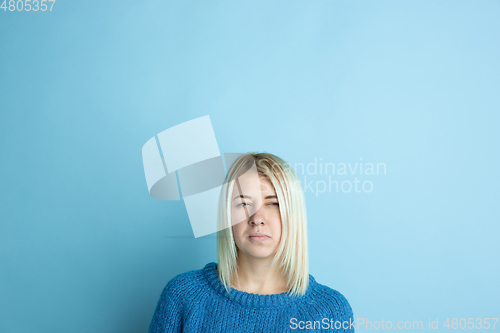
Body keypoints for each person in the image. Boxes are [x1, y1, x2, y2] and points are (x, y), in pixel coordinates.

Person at [148, 153, 354, 332]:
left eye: (273, 203)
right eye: (243, 203)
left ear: (294, 214)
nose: (257, 218)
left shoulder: (330, 311)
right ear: (227, 216)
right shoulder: (183, 295)